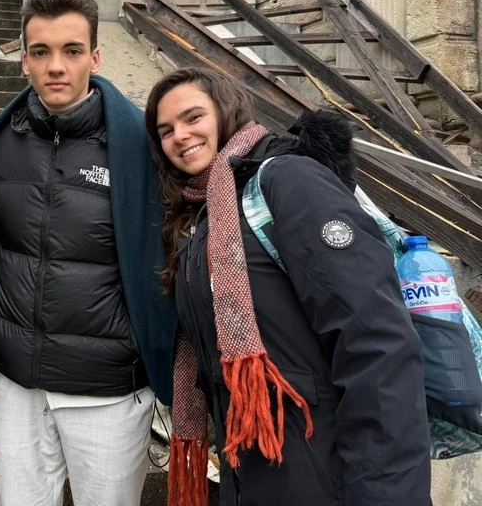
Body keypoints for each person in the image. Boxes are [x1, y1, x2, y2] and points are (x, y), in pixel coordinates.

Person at [145, 67, 432, 506]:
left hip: (325, 469)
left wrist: (388, 495)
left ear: (226, 111)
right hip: (254, 467)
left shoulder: (288, 181)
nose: (180, 136)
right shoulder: (202, 217)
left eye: (193, 117)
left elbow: (376, 340)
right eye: (166, 131)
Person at [0, 0, 178, 506]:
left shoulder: (140, 145)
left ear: (95, 58)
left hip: (107, 392)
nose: (56, 66)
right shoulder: (2, 140)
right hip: (18, 384)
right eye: (41, 52)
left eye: (72, 50)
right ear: (24, 60)